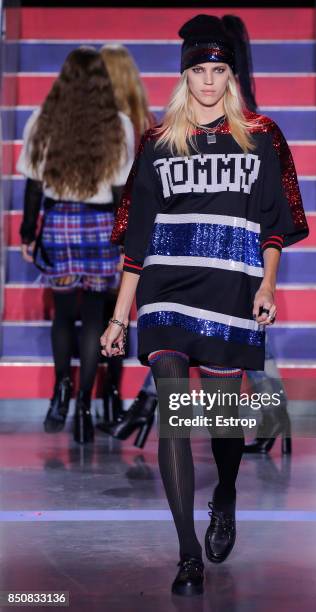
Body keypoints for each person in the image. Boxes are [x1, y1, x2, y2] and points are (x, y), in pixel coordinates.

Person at [101, 14, 308, 596]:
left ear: (231, 76)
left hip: (232, 289)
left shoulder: (261, 135)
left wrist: (267, 286)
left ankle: (225, 493)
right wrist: (121, 315)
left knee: (217, 418)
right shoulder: (157, 142)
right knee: (173, 408)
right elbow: (138, 237)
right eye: (199, 71)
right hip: (166, 291)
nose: (209, 82)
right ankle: (187, 554)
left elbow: (273, 223)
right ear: (184, 75)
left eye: (219, 71)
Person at [18, 47, 135, 444]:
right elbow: (122, 192)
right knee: (94, 317)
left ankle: (60, 392)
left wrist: (27, 234)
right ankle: (86, 404)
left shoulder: (43, 120)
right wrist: (125, 241)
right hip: (102, 225)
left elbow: (33, 186)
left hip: (61, 222)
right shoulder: (118, 125)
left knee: (64, 314)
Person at [96, 44, 156, 428]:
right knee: (125, 313)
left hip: (98, 220)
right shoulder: (147, 122)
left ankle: (108, 402)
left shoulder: (100, 122)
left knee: (100, 315)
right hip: (139, 224)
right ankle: (124, 402)